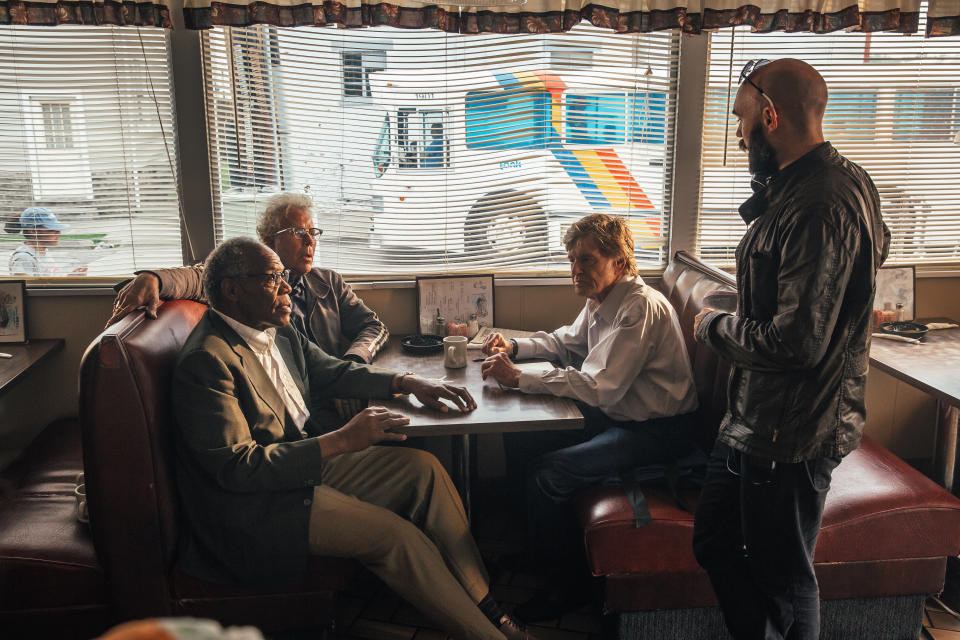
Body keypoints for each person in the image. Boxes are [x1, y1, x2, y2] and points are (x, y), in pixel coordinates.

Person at [173, 236, 540, 640]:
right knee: (395, 537)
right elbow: (237, 468)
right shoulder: (207, 361)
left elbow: (334, 371)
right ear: (232, 289)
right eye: (274, 278)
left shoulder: (277, 329)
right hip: (258, 504)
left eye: (284, 276)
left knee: (425, 470)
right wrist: (342, 441)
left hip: (304, 468)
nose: (287, 287)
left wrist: (408, 381)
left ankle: (486, 606)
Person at [690, 58, 890, 640]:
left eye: (742, 120)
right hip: (756, 418)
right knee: (714, 539)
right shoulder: (806, 186)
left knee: (785, 579)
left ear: (770, 116)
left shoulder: (821, 202)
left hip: (793, 432)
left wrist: (711, 327)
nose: (738, 132)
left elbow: (796, 342)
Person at [479, 213, 699, 622]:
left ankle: (567, 587)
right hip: (622, 417)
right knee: (519, 438)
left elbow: (601, 387)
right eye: (572, 259)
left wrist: (519, 378)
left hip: (657, 431)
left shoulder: (638, 309)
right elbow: (566, 342)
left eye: (588, 260)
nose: (576, 270)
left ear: (619, 261)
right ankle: (534, 552)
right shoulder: (603, 298)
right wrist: (515, 346)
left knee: (550, 474)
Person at [107, 192, 387, 423]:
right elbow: (200, 277)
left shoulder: (329, 283)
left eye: (312, 232)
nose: (309, 241)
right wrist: (154, 278)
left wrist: (354, 362)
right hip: (294, 409)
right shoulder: (245, 284)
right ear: (269, 240)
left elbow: (373, 327)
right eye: (298, 232)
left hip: (338, 388)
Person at [6, 207, 85, 277]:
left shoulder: (43, 252)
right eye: (52, 230)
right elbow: (29, 291)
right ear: (33, 231)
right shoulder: (24, 258)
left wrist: (69, 279)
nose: (59, 233)